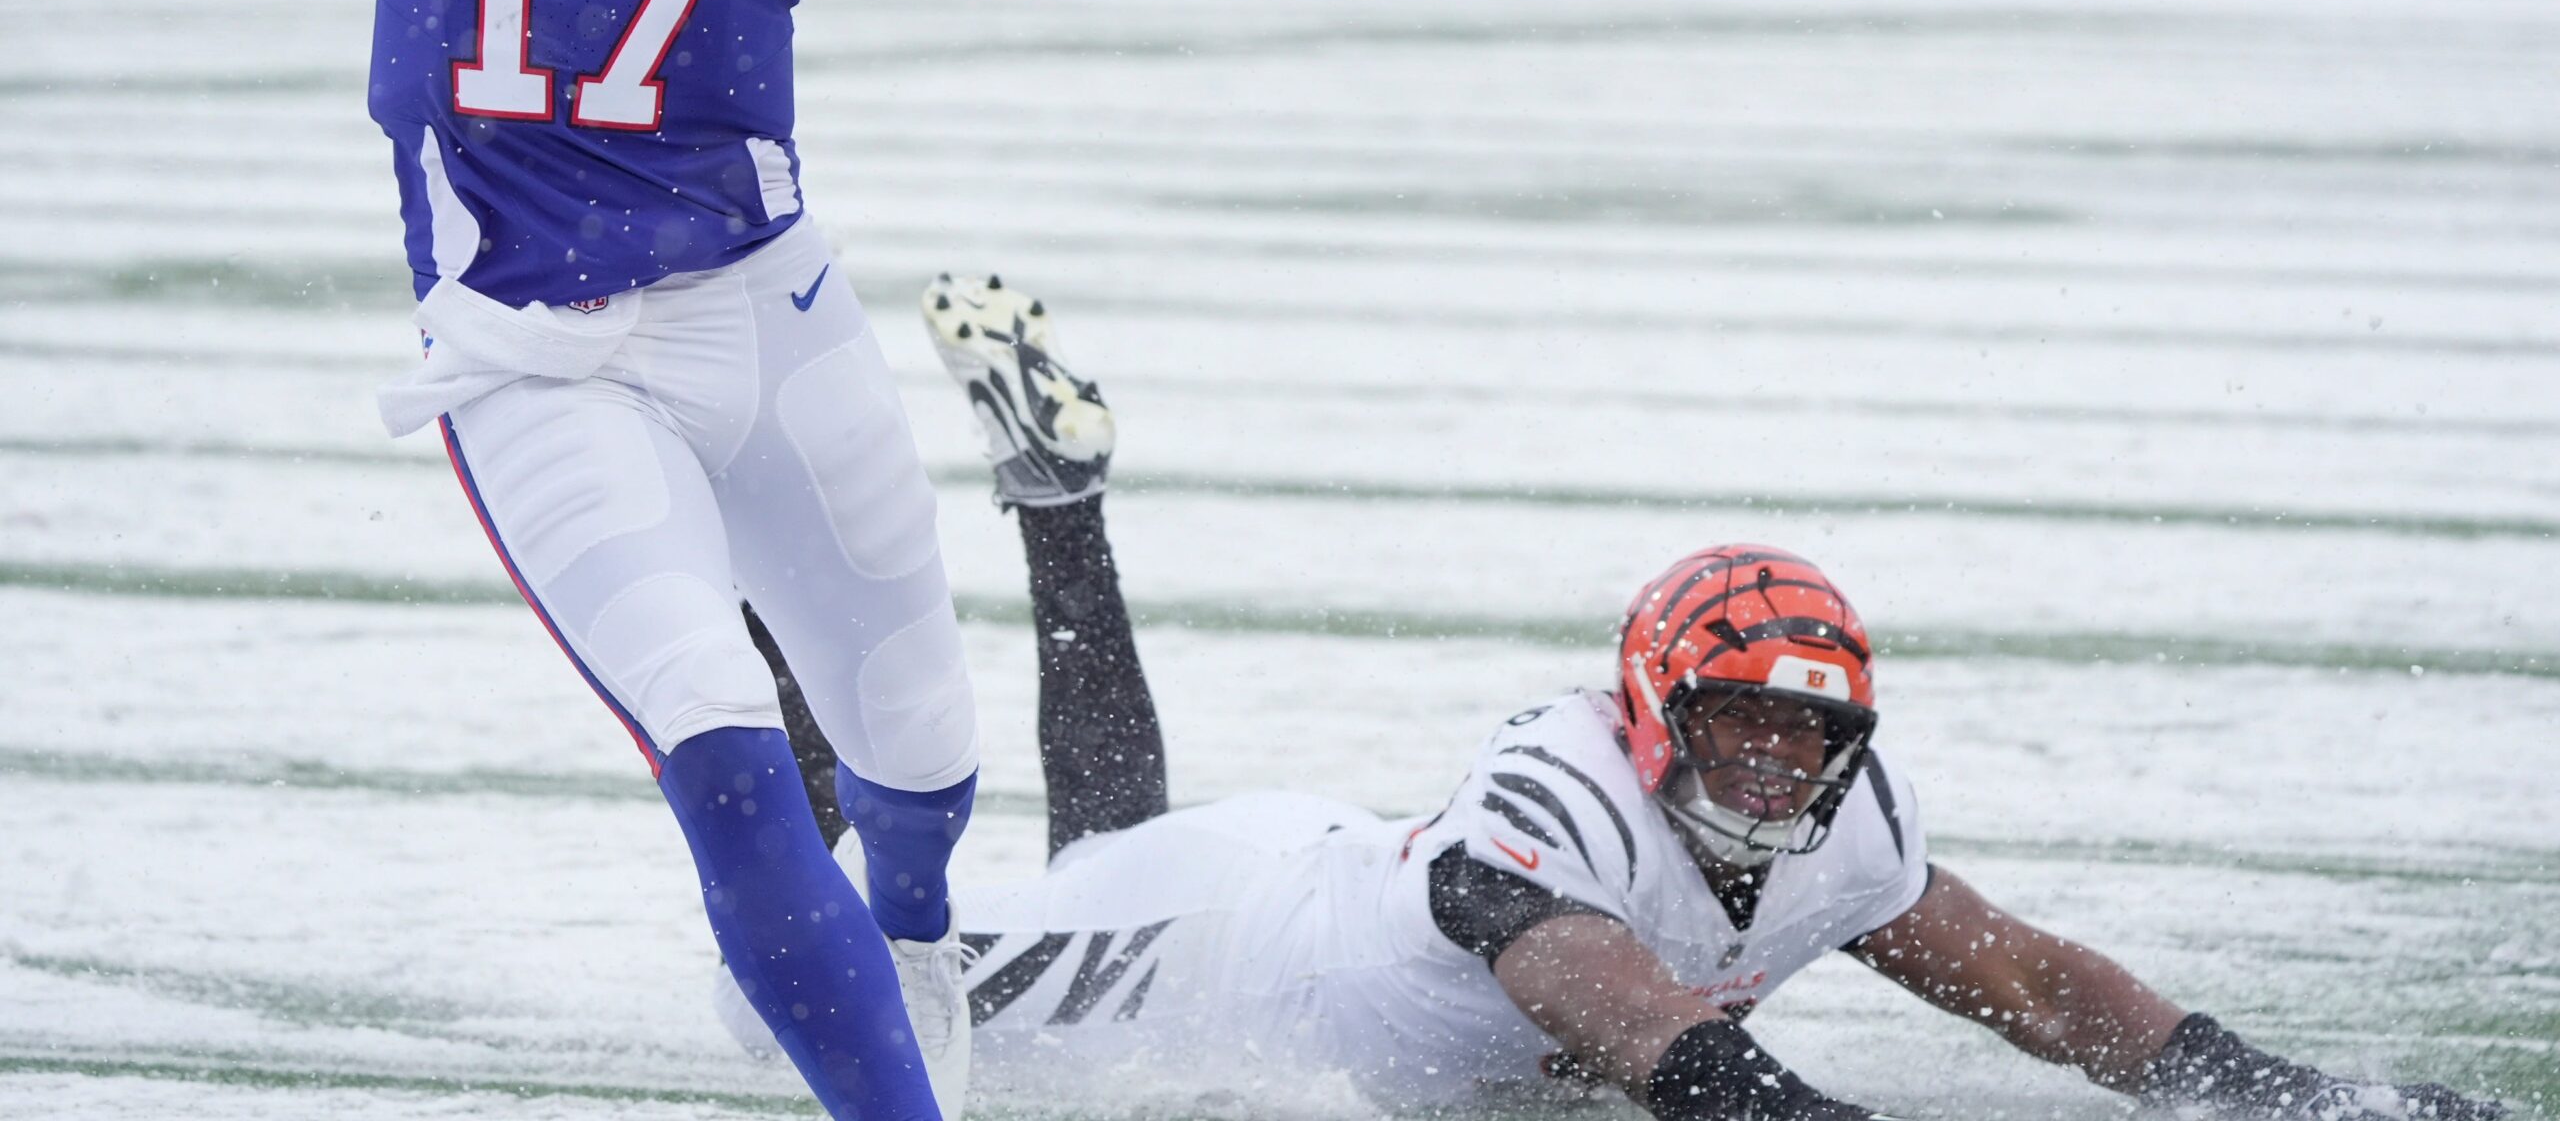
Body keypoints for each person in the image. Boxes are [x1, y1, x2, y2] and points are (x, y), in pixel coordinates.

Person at [67, 0, 1107, 1118]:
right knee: (724, 745)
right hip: (527, 350)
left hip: (759, 302)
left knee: (918, 737)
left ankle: (911, 929)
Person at [727, 277, 2508, 1121]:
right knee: (814, 994)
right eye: (1741, 718)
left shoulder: (1842, 825)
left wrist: (2269, 1089)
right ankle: (766, 610)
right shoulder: (1559, 785)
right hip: (1217, 943)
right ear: (1654, 708)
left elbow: (2036, 983)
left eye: (1810, 731)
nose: (1777, 758)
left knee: (1103, 832)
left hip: (1306, 880)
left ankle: (1058, 502)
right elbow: (1638, 1027)